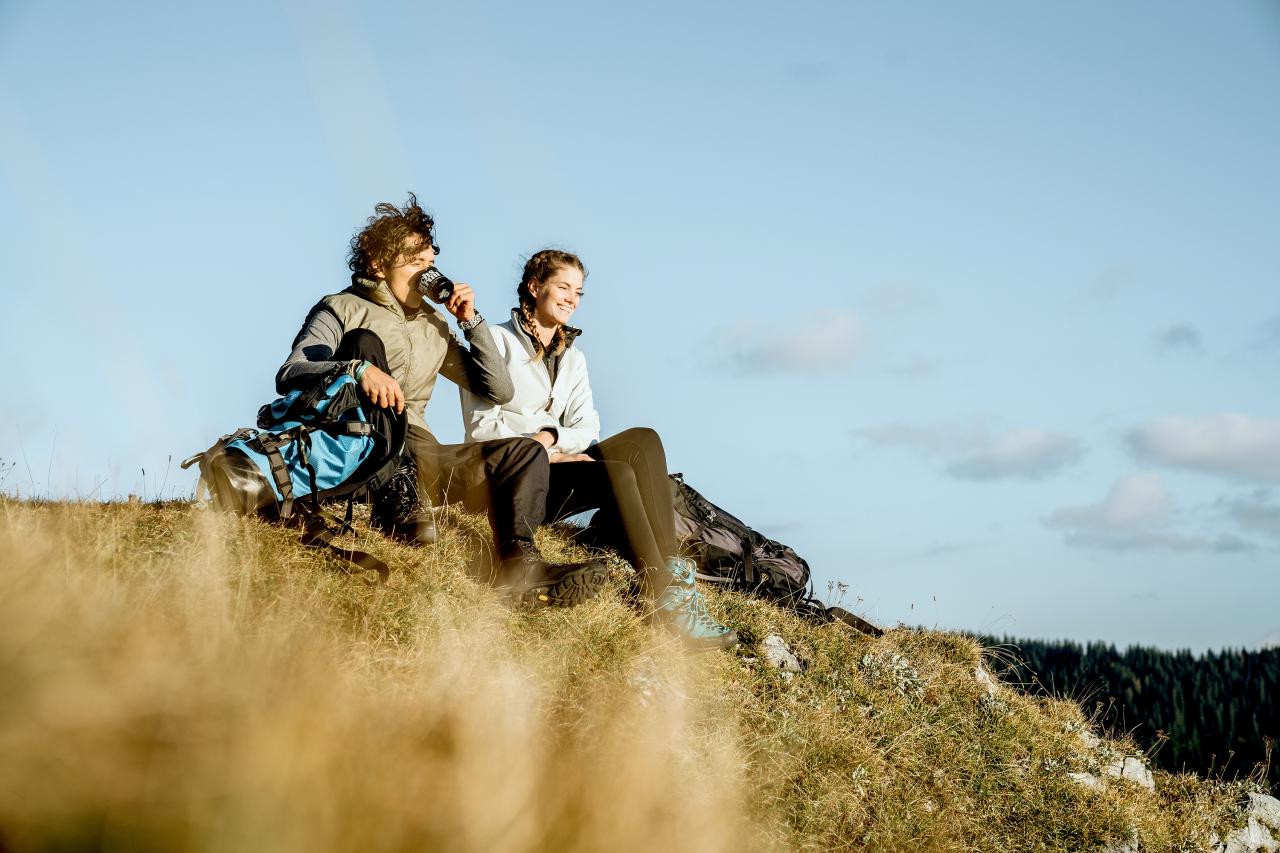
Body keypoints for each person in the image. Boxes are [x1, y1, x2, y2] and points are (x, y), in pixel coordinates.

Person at [276, 195, 607, 607]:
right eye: (415, 261)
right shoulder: (341, 308)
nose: (427, 270)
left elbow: (497, 389)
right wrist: (356, 369)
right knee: (364, 343)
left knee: (523, 451)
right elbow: (291, 372)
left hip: (421, 453)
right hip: (362, 446)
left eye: (430, 261)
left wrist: (470, 320)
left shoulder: (433, 324)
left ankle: (520, 565)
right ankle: (393, 504)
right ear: (379, 264)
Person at [458, 249, 738, 650]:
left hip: (559, 463)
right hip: (515, 480)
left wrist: (552, 440)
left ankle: (671, 579)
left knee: (643, 439)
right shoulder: (495, 342)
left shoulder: (573, 356)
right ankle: (660, 594)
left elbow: (588, 428)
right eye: (563, 287)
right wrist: (539, 448)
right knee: (619, 473)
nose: (572, 298)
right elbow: (482, 429)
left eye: (579, 291)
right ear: (535, 288)